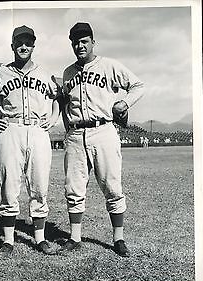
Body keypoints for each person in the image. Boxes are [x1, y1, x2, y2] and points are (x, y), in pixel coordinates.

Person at [58, 22, 145, 257]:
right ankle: (75, 237)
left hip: (103, 130)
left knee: (112, 186)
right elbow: (64, 102)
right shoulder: (68, 72)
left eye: (84, 41)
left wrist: (124, 103)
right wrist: (68, 128)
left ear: (93, 42)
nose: (80, 46)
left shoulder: (109, 65)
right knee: (74, 188)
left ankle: (118, 238)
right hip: (76, 134)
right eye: (76, 42)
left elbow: (137, 85)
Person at [0, 25, 60, 258]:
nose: (24, 46)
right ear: (13, 46)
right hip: (11, 129)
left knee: (39, 185)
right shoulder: (1, 73)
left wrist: (54, 119)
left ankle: (40, 238)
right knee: (9, 186)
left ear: (33, 46)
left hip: (37, 130)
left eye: (28, 43)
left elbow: (58, 98)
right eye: (19, 43)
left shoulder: (45, 73)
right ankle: (8, 240)